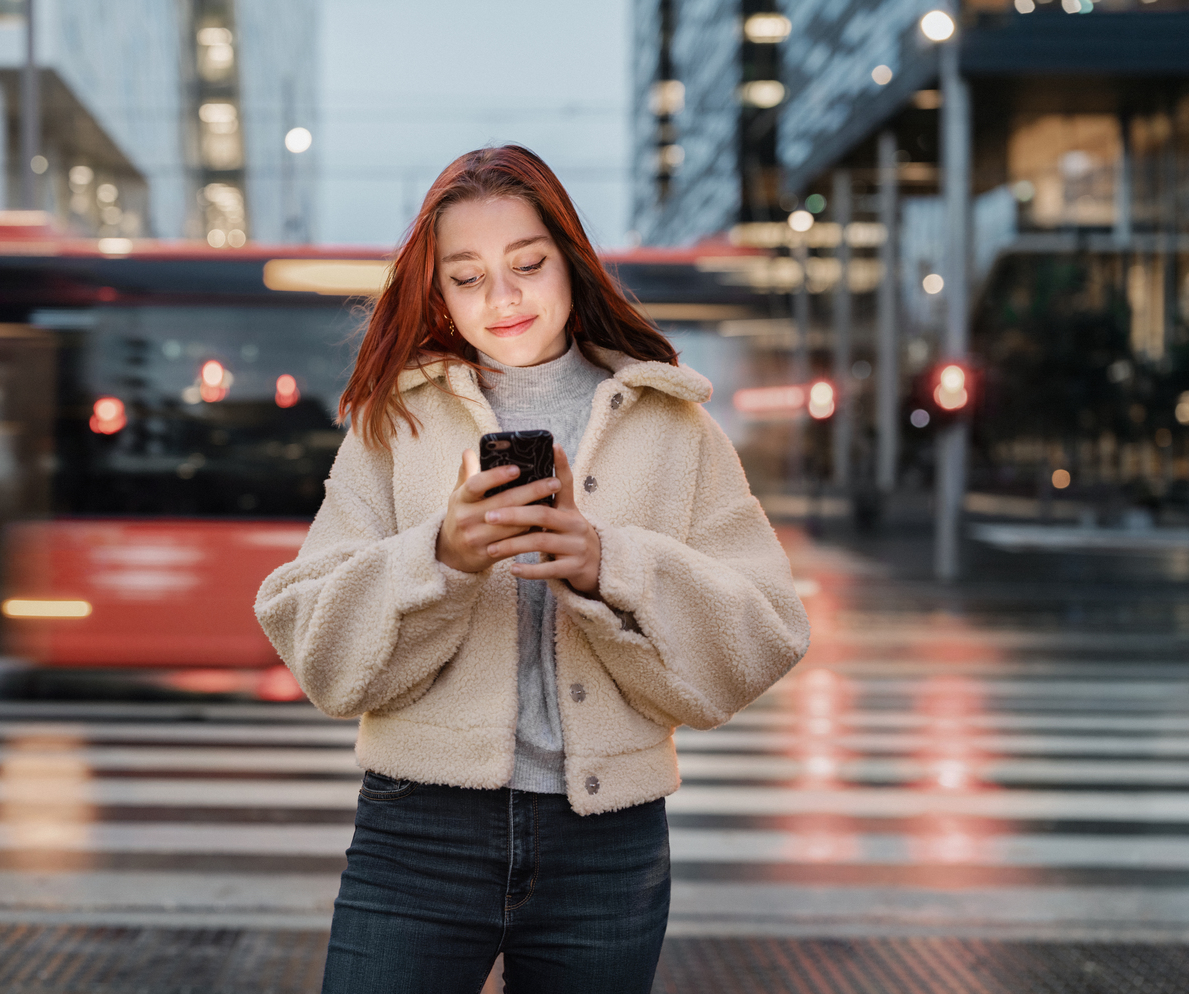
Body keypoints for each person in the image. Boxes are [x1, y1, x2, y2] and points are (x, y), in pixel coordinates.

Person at [255, 145, 809, 994]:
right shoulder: (394, 422)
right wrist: (436, 558)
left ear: (571, 263)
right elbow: (312, 645)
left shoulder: (672, 423)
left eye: (527, 264)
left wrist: (605, 564)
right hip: (418, 829)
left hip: (608, 845)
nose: (502, 297)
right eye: (467, 277)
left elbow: (769, 628)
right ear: (436, 291)